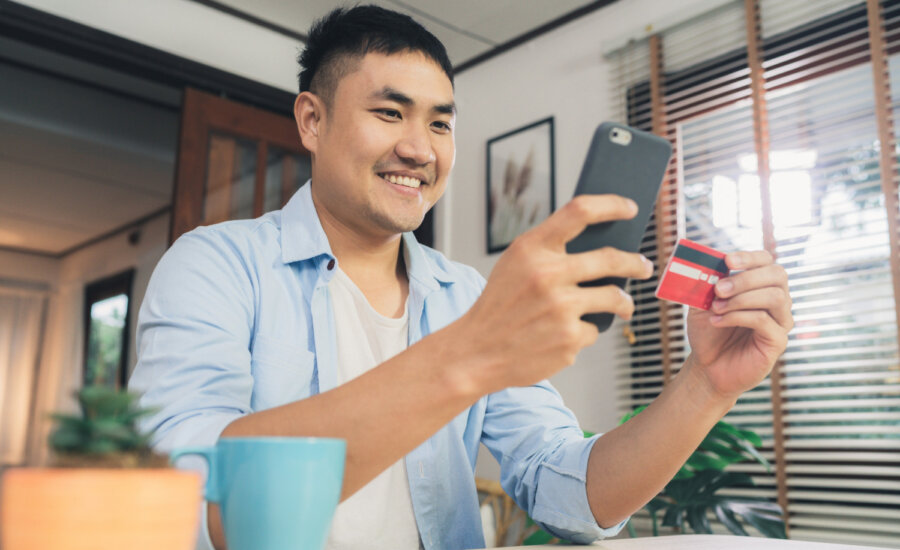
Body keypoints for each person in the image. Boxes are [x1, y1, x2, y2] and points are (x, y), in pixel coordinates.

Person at [129, 5, 793, 550]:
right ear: (312, 119)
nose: (420, 148)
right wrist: (472, 352)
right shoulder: (214, 264)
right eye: (390, 113)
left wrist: (705, 387)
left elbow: (572, 494)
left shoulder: (466, 296)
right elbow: (188, 506)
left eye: (440, 122)